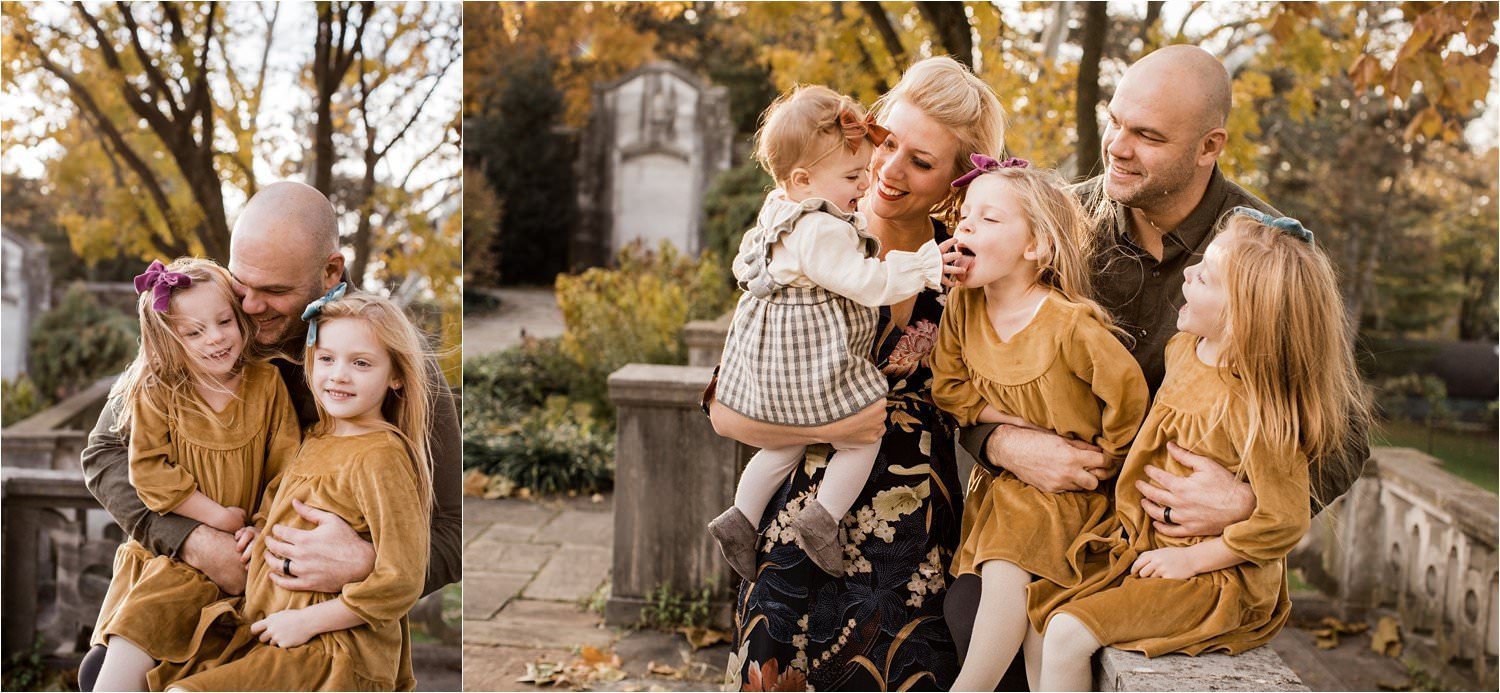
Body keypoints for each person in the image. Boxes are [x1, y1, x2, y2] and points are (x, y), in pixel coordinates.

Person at [945, 45, 1370, 675]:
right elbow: (975, 352)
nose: (1117, 145)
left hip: (1171, 545)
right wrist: (1000, 442)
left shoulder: (1261, 252)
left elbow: (1345, 435)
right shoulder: (1060, 223)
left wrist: (1250, 502)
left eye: (1146, 135)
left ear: (1208, 146)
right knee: (969, 611)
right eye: (1115, 121)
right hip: (1062, 509)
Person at [78, 181, 461, 690]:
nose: (251, 307)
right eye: (242, 285)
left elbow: (454, 528)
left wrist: (366, 561)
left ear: (331, 271)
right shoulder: (209, 331)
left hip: (307, 615)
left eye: (276, 291)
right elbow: (105, 454)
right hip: (195, 582)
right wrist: (194, 541)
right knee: (102, 676)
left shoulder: (385, 360)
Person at [709, 56, 1005, 691]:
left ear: (956, 181)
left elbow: (987, 399)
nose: (887, 169)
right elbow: (723, 406)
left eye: (920, 161)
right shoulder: (806, 240)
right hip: (801, 516)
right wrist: (842, 419)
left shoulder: (965, 265)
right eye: (886, 140)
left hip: (912, 528)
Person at [1029, 210, 1372, 690]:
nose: (1187, 273)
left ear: (1243, 314)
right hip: (1147, 543)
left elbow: (1283, 521)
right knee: (1038, 605)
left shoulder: (1258, 409)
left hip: (1213, 577)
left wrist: (1191, 560)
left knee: (1067, 633)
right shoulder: (1184, 350)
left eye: (1204, 276)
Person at [708, 85, 954, 579]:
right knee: (860, 439)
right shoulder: (826, 229)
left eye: (922, 161)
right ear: (804, 177)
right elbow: (867, 282)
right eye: (882, 150)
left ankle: (739, 517)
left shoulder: (783, 215)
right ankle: (822, 519)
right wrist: (924, 266)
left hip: (908, 537)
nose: (876, 176)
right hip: (816, 409)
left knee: (780, 447)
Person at [929, 158, 1149, 692]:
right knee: (1036, 630)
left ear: (1036, 246)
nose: (966, 228)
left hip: (1071, 491)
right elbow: (947, 387)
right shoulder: (963, 308)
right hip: (1007, 486)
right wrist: (1002, 418)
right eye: (965, 217)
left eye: (989, 219)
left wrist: (1110, 467)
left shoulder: (1069, 325)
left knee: (1007, 569)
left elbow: (1130, 400)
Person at [162, 291, 435, 691]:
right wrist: (259, 531)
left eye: (360, 363)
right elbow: (278, 504)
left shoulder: (381, 455)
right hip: (274, 631)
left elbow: (403, 578)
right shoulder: (314, 439)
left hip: (331, 647)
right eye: (326, 359)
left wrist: (306, 622)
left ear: (395, 375)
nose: (339, 374)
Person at [89, 259, 301, 691]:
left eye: (225, 321)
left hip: (245, 561)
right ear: (170, 341)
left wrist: (259, 525)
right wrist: (216, 518)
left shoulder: (266, 384)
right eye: (194, 332)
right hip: (173, 559)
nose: (216, 337)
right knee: (130, 646)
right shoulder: (157, 390)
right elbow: (147, 470)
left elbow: (287, 467)